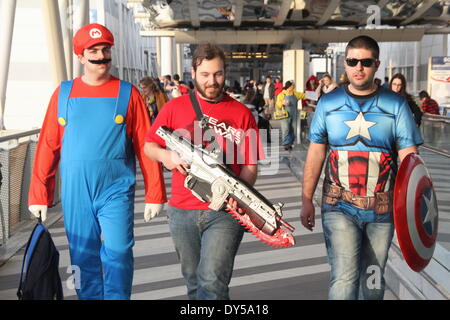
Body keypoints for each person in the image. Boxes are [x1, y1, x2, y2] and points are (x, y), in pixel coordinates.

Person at [27, 23, 167, 300]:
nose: (101, 56)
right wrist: (39, 193)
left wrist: (155, 193)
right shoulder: (63, 94)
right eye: (94, 51)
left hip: (115, 189)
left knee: (119, 251)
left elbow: (145, 145)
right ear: (81, 56)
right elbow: (47, 146)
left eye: (105, 49)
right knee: (82, 255)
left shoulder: (129, 93)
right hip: (76, 192)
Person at [300, 35, 423, 300]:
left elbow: (411, 161)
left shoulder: (396, 105)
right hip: (338, 206)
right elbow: (316, 153)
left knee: (373, 279)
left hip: (381, 209)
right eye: (352, 61)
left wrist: (412, 214)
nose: (358, 67)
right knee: (344, 277)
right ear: (344, 64)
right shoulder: (328, 104)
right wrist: (306, 199)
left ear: (376, 64)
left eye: (365, 62)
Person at [143, 43, 263, 300]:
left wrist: (238, 195)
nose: (213, 81)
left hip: (225, 212)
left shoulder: (242, 114)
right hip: (182, 211)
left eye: (218, 74)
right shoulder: (173, 108)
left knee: (212, 281)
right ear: (193, 72)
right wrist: (167, 156)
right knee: (194, 282)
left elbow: (251, 166)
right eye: (206, 74)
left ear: (225, 72)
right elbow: (149, 146)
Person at [275, 80, 306, 151]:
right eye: (293, 85)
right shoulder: (281, 94)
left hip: (294, 114)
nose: (294, 86)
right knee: (286, 129)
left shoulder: (296, 94)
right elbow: (278, 105)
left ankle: (290, 143)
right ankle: (285, 144)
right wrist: (282, 103)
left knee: (293, 129)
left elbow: (304, 96)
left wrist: (315, 95)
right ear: (289, 86)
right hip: (284, 115)